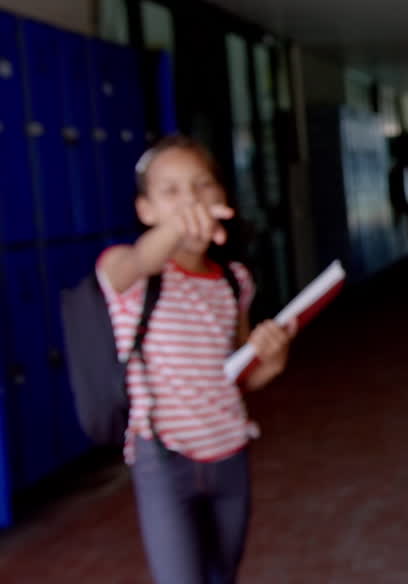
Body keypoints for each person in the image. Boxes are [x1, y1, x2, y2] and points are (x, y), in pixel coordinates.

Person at [97, 135, 295, 584]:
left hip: (229, 452)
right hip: (165, 458)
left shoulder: (233, 280)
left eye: (202, 186)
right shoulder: (126, 272)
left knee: (222, 575)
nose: (190, 199)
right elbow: (142, 258)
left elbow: (240, 374)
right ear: (145, 210)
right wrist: (176, 229)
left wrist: (272, 358)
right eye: (171, 191)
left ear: (222, 197)